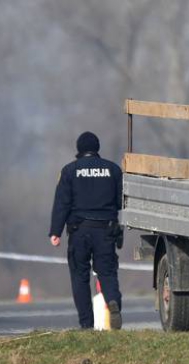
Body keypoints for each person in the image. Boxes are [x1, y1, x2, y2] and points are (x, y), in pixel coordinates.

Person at [49, 131, 124, 330]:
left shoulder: (69, 171)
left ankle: (86, 324)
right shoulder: (113, 170)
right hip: (105, 230)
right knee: (107, 273)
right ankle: (113, 301)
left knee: (80, 277)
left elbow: (62, 204)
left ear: (79, 149)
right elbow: (121, 202)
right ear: (97, 148)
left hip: (79, 231)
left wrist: (55, 232)